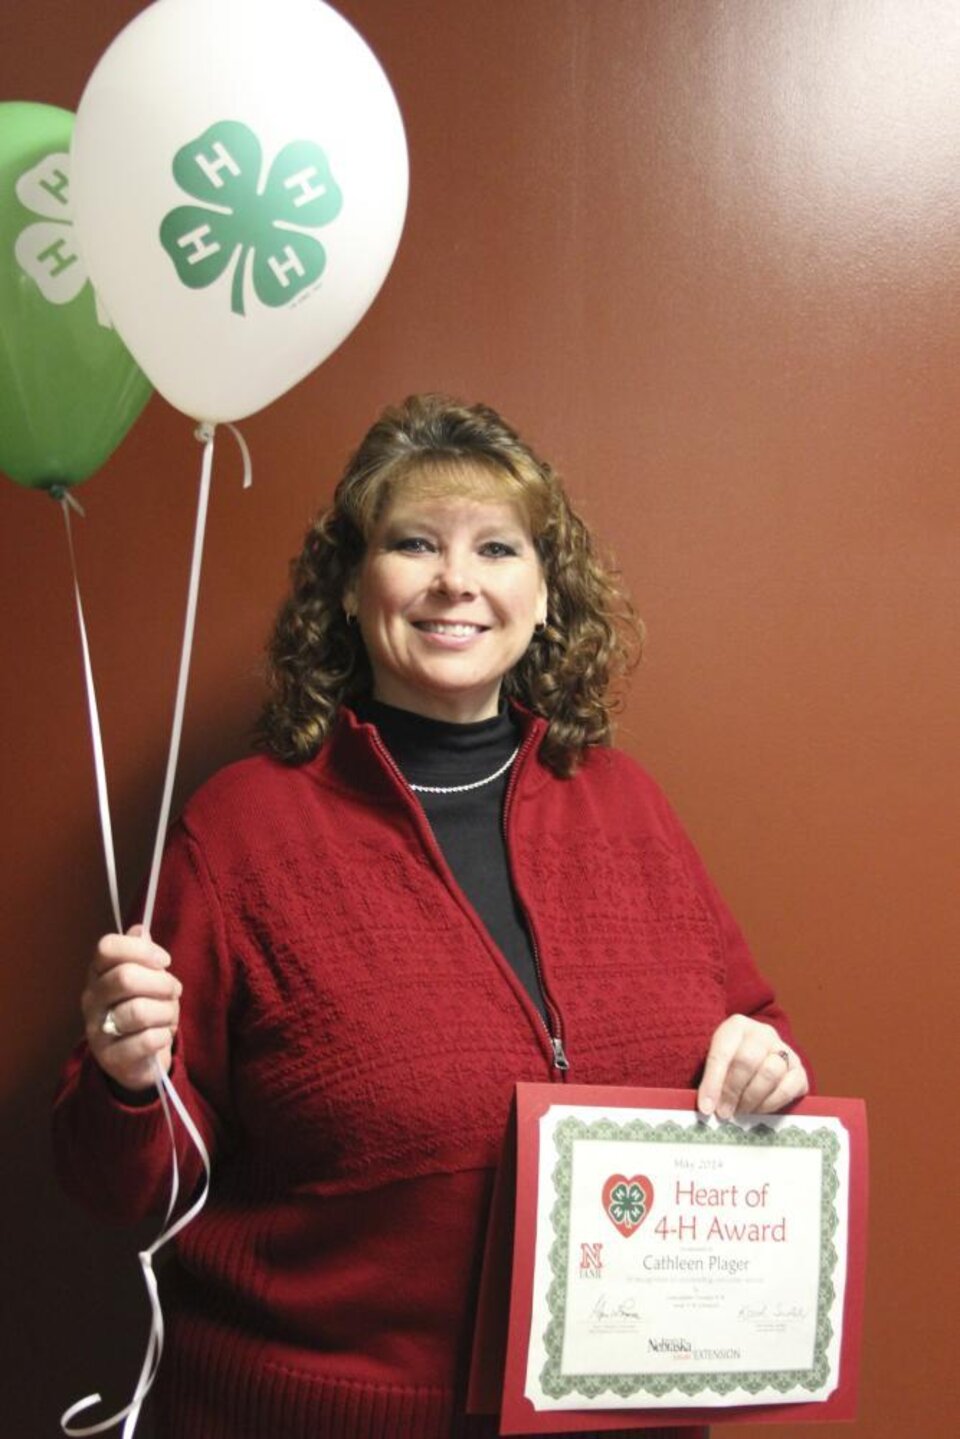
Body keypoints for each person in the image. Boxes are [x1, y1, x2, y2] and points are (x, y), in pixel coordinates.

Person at [53, 394, 809, 1439]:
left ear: (547, 594)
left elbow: (756, 1029)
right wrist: (124, 1076)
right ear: (354, 586)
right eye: (415, 542)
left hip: (618, 1411)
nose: (457, 580)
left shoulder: (628, 805)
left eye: (497, 547)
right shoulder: (241, 830)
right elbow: (119, 1182)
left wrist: (764, 1057)